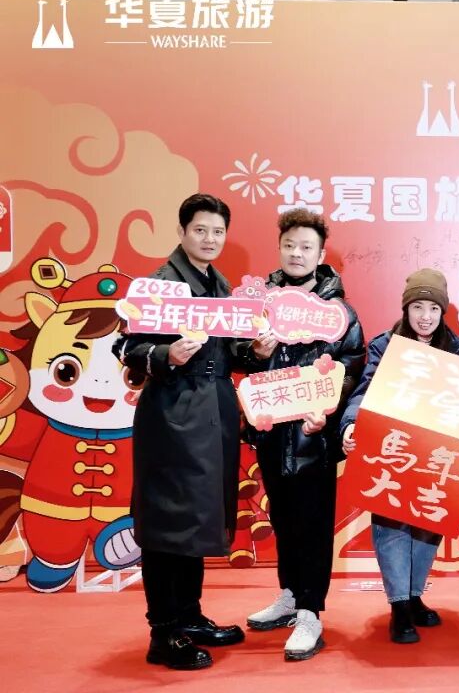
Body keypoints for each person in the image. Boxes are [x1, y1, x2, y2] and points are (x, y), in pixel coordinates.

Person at [113, 193, 246, 670]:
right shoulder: (159, 285)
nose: (209, 239)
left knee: (197, 519)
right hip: (172, 415)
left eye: (217, 232)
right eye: (200, 230)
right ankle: (163, 631)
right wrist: (165, 355)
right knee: (169, 522)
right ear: (182, 231)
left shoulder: (220, 285)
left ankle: (189, 616)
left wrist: (256, 350)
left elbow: (231, 351)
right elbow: (124, 347)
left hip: (213, 412)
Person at [242, 208, 365, 661]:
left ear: (320, 254)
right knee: (283, 519)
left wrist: (327, 404)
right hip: (272, 433)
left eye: (306, 247)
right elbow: (240, 357)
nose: (297, 253)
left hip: (315, 435)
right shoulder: (260, 303)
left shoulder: (339, 311)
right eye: (290, 245)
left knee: (313, 526)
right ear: (280, 248)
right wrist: (256, 352)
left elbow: (354, 365)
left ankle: (311, 612)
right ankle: (290, 595)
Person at [339, 268, 459, 644]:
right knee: (392, 522)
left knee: (428, 522)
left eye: (433, 308)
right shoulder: (386, 344)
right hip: (392, 445)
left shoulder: (455, 349)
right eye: (417, 307)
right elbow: (366, 389)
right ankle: (398, 607)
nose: (425, 316)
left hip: (436, 449)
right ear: (406, 308)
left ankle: (413, 596)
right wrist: (350, 425)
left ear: (442, 311)